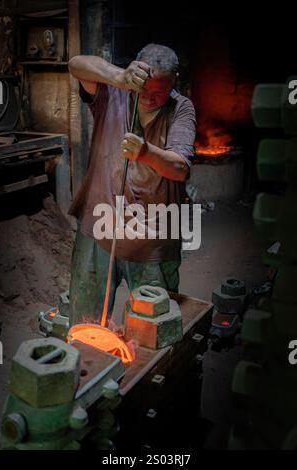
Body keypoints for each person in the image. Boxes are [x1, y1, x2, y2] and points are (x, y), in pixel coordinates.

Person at [68, 43, 196, 326]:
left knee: (151, 328)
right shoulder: (113, 91)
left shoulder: (181, 109)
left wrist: (146, 153)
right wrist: (119, 77)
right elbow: (76, 64)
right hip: (99, 226)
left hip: (152, 238)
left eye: (159, 93)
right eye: (144, 89)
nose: (149, 98)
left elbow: (180, 168)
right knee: (86, 324)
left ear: (174, 82)